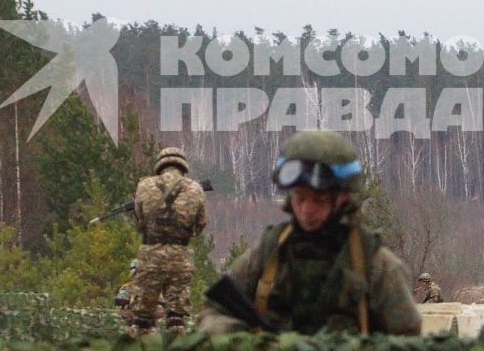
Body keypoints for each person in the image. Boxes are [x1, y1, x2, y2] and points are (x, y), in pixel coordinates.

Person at [198, 130, 421, 335]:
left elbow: (407, 347)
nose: (307, 210)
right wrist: (244, 340)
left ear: (343, 197)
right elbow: (214, 311)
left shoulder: (376, 265)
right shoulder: (269, 252)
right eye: (300, 197)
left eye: (319, 200)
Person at [123, 146, 208, 335]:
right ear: (182, 165)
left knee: (142, 319)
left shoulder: (144, 186)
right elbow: (200, 225)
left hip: (150, 256)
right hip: (180, 256)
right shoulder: (195, 188)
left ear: (160, 164)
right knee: (176, 318)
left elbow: (139, 220)